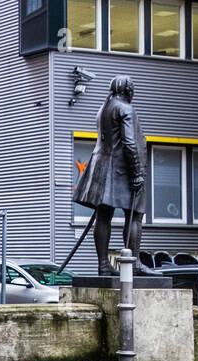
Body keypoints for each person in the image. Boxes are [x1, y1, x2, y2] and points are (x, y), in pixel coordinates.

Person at [73, 76, 149, 276]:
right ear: (127, 90)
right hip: (121, 170)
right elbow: (130, 143)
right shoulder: (125, 109)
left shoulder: (103, 109)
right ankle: (133, 263)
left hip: (102, 168)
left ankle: (103, 265)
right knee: (135, 215)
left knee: (103, 215)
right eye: (132, 89)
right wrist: (137, 173)